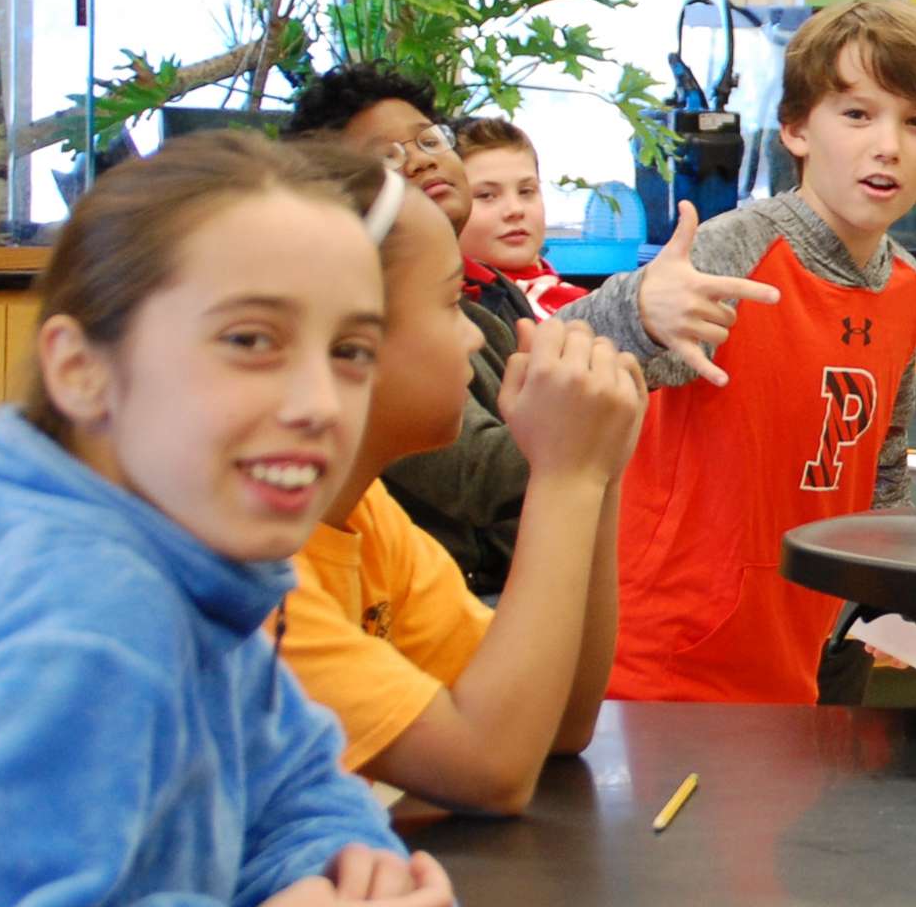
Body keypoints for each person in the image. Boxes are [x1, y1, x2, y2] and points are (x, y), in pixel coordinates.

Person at [0, 134, 453, 907]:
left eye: (350, 351)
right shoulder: (88, 620)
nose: (319, 403)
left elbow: (294, 789)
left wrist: (352, 878)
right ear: (83, 370)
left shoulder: (190, 563)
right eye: (250, 342)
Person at [578, 0, 916, 704]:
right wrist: (639, 311)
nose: (889, 145)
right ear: (795, 129)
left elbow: (880, 465)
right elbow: (555, 358)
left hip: (796, 657)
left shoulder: (904, 283)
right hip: (660, 661)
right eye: (856, 114)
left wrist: (901, 586)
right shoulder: (734, 250)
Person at [286, 65, 769, 593]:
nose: (421, 157)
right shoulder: (364, 321)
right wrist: (597, 420)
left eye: (428, 139)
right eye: (388, 155)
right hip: (467, 590)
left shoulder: (489, 291)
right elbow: (478, 472)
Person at [272, 159, 646, 816]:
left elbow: (559, 723)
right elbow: (491, 765)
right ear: (350, 343)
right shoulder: (260, 576)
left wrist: (600, 467)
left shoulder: (363, 515)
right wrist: (566, 474)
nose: (476, 334)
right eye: (451, 304)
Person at [453, 115, 588, 318]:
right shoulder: (459, 314)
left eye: (526, 191)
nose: (515, 210)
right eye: (486, 195)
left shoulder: (582, 303)